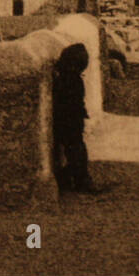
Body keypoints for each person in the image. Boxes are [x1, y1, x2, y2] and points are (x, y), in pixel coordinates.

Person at [53, 43, 96, 192]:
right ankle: (79, 180)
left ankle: (72, 178)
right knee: (76, 151)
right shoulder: (71, 80)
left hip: (69, 120)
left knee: (74, 151)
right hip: (70, 121)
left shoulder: (65, 78)